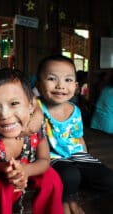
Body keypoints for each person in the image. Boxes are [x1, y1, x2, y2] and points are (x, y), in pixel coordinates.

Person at [0, 68, 63, 214]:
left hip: (31, 169)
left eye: (14, 103)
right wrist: (5, 168)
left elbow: (44, 160)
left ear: (31, 106)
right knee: (0, 186)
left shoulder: (34, 129)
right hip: (1, 175)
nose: (5, 114)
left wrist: (25, 170)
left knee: (52, 178)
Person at [35, 54, 113, 214]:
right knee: (70, 175)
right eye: (52, 79)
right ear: (38, 84)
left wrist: (86, 159)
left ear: (76, 86)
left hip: (76, 153)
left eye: (68, 80)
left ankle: (79, 180)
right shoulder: (36, 107)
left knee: (108, 179)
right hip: (52, 156)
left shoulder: (75, 110)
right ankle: (68, 199)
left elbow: (78, 136)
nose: (60, 86)